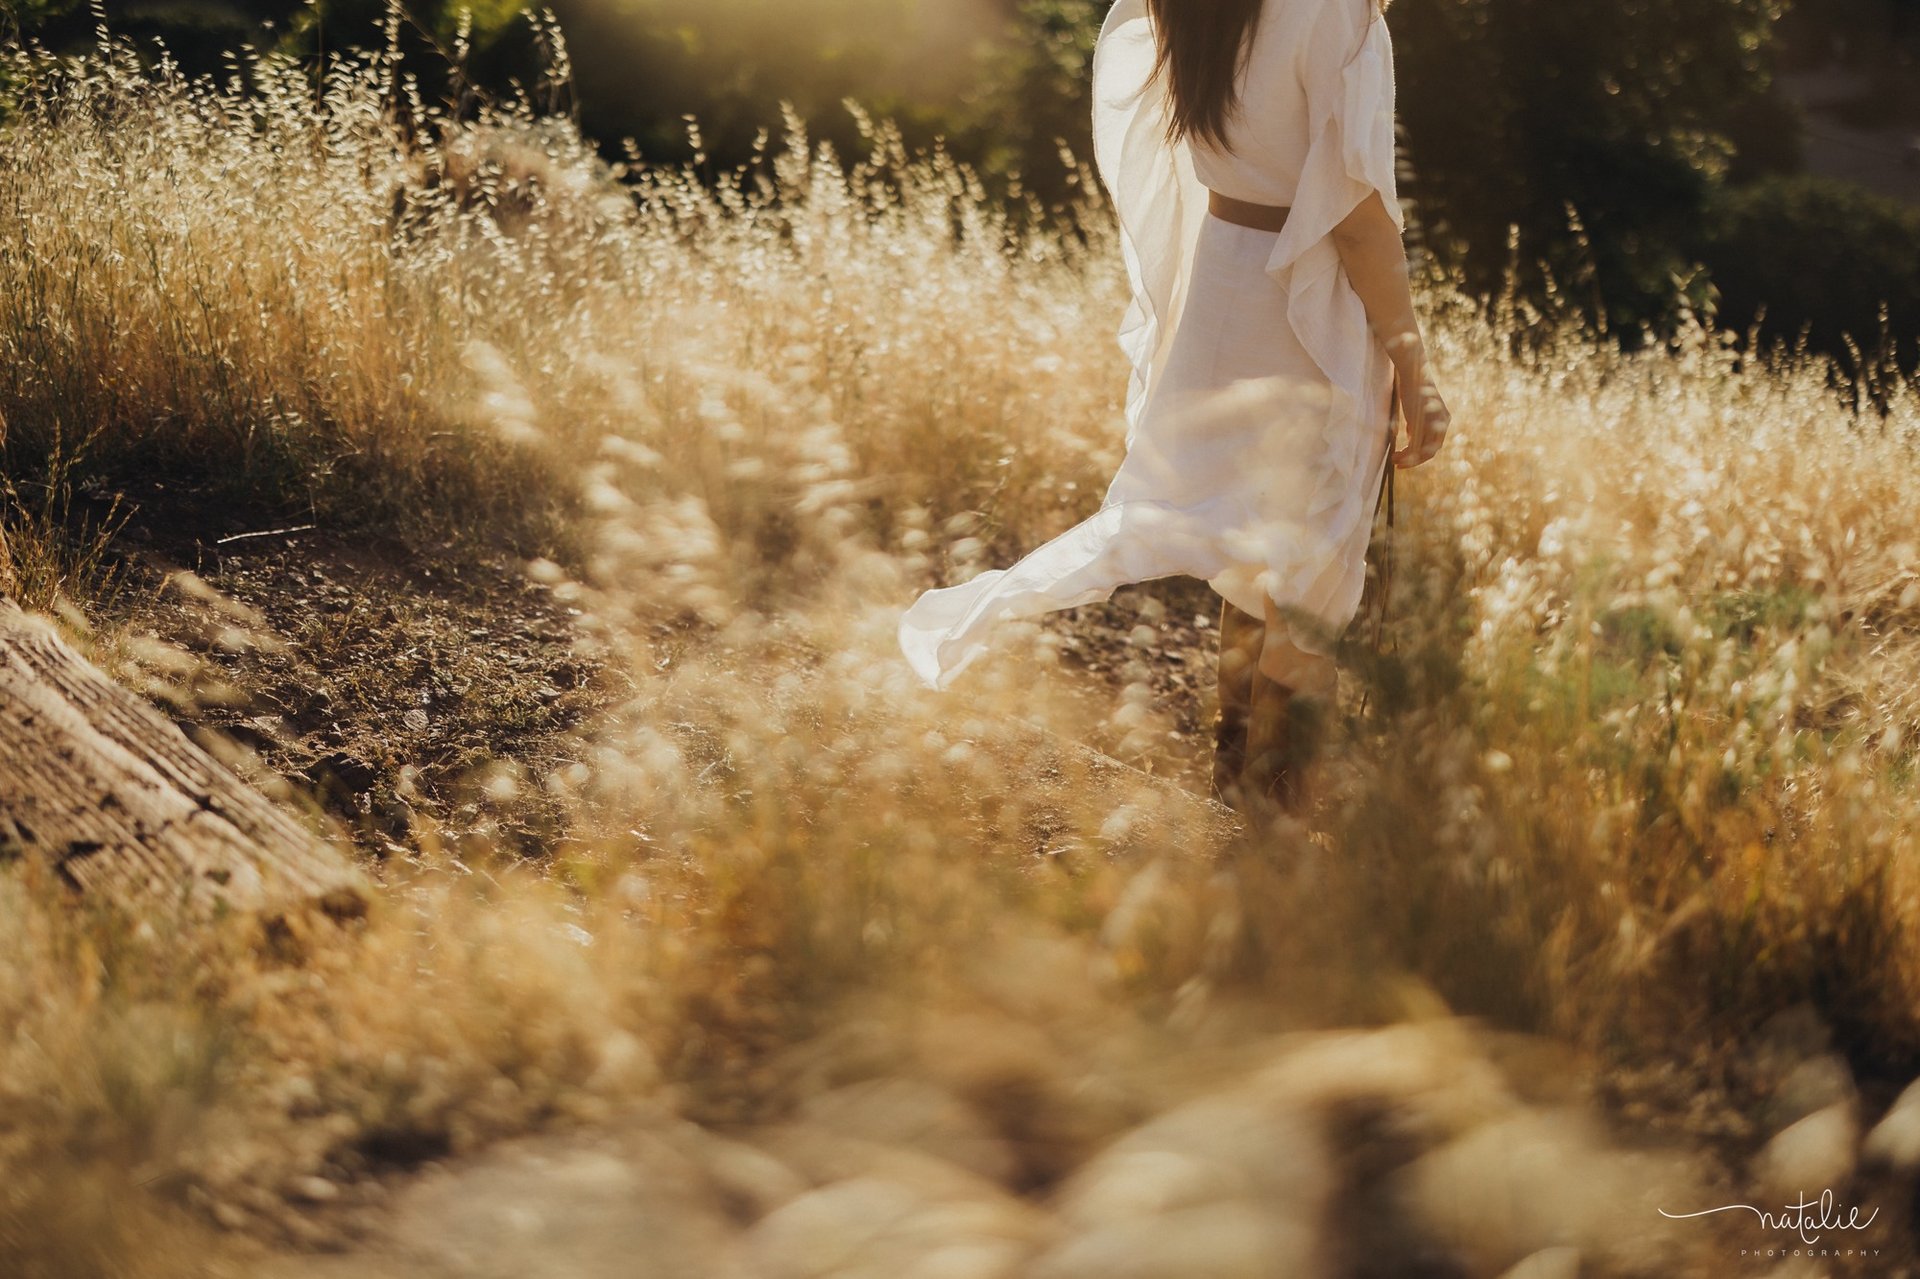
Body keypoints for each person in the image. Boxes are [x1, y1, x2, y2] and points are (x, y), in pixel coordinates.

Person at [897, 0, 1451, 817]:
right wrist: (1413, 363)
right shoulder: (1331, 10)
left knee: (1256, 551)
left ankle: (1236, 803)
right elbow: (1359, 221)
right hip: (1306, 307)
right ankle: (1275, 834)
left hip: (1224, 286)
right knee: (1309, 573)